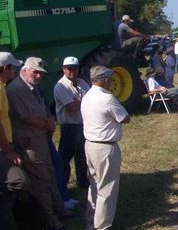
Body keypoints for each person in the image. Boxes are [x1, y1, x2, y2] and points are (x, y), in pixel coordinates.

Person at [7, 57, 65, 230]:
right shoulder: (16, 89)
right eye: (35, 71)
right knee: (40, 182)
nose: (38, 75)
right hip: (30, 144)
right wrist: (48, 123)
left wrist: (50, 120)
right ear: (24, 70)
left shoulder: (32, 87)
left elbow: (44, 110)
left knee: (49, 175)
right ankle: (51, 221)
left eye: (41, 73)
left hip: (40, 139)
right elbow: (29, 118)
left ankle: (58, 211)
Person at [81, 66, 130, 230]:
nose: (110, 81)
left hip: (90, 145)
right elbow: (124, 118)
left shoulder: (87, 95)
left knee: (94, 185)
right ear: (104, 80)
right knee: (107, 189)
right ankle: (102, 226)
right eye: (109, 78)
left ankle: (91, 221)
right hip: (105, 148)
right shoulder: (107, 98)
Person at [0, 52, 29, 230]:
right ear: (5, 68)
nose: (15, 70)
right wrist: (8, 150)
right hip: (2, 150)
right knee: (19, 181)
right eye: (12, 67)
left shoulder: (2, 87)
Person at [53, 56, 90, 191]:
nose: (72, 71)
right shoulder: (60, 86)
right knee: (65, 158)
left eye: (75, 68)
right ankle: (62, 185)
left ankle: (83, 182)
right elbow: (71, 108)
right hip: (69, 126)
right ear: (64, 69)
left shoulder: (82, 83)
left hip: (82, 124)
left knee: (82, 156)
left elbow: (90, 100)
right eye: (69, 68)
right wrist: (83, 101)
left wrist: (79, 100)